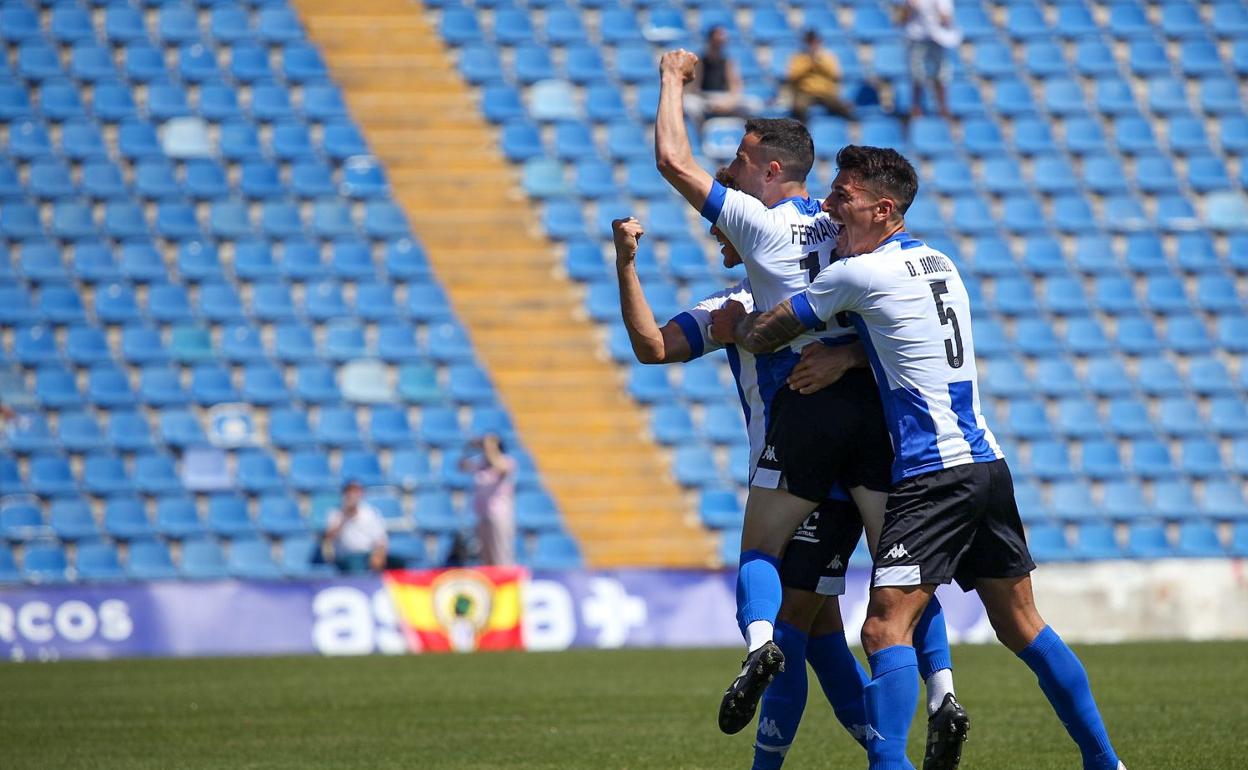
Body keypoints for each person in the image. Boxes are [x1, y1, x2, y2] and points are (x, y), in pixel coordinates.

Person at [718, 145, 1125, 770]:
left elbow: (772, 329)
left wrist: (736, 326)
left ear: (883, 210)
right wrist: (854, 356)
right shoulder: (940, 263)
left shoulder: (856, 275)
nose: (827, 206)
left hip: (931, 474)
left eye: (843, 197)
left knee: (883, 628)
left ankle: (890, 765)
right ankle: (1105, 763)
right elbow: (902, 338)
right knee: (1022, 624)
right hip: (986, 464)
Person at [654, 50, 967, 770]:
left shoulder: (766, 229)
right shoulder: (845, 224)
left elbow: (674, 158)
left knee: (765, 564)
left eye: (739, 160)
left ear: (771, 172)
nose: (731, 169)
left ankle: (757, 647)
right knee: (900, 576)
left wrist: (672, 78)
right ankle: (942, 689)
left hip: (802, 413)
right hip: (875, 414)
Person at [614, 211, 879, 768]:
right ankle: (891, 755)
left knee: (787, 632)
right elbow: (653, 347)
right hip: (791, 479)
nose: (716, 232)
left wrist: (848, 356)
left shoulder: (830, 289)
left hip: (813, 480)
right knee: (822, 634)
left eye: (724, 225)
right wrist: (627, 265)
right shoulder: (733, 305)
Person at [460, 433, 517, 566]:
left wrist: (490, 448)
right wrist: (469, 447)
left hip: (499, 515)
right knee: (485, 555)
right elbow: (461, 466)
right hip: (481, 514)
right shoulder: (481, 463)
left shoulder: (506, 461)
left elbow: (499, 466)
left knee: (500, 554)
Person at [898, 0, 960, 119]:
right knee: (917, 74)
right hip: (917, 38)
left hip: (938, 39)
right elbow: (901, 20)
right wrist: (910, 7)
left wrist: (941, 15)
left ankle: (942, 108)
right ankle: (916, 108)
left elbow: (947, 19)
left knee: (941, 73)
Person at [685, 26, 760, 122]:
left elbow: (735, 88)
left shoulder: (728, 61)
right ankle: (701, 133)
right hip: (704, 98)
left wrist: (729, 103)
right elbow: (693, 88)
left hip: (724, 97)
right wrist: (711, 104)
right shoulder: (700, 61)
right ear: (710, 39)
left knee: (754, 104)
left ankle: (740, 132)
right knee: (689, 104)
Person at [785, 29, 854, 123]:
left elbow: (835, 74)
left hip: (825, 92)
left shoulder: (828, 56)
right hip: (805, 92)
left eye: (813, 41)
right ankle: (802, 130)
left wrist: (820, 63)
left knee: (840, 106)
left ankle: (852, 125)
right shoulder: (798, 57)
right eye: (809, 42)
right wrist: (808, 64)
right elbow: (792, 76)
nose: (811, 45)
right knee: (799, 107)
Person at [322, 480, 389, 574]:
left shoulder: (371, 512)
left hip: (370, 553)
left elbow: (381, 539)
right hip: (348, 556)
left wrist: (379, 554)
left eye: (356, 491)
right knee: (357, 564)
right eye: (350, 491)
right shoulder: (336, 513)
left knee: (398, 563)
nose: (353, 495)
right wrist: (345, 516)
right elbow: (328, 538)